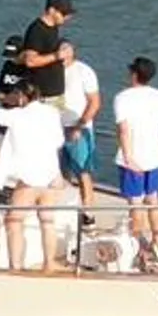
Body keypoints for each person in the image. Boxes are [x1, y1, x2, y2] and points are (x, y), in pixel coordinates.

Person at [0, 82, 72, 272]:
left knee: (14, 221)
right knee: (47, 220)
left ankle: (16, 266)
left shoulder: (16, 115)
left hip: (28, 178)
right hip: (51, 175)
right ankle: (49, 263)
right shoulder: (52, 113)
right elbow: (60, 140)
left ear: (21, 96)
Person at [114, 56, 158, 265]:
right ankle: (156, 240)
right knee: (153, 199)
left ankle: (139, 245)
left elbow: (124, 130)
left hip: (133, 159)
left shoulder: (123, 97)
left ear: (134, 74)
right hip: (153, 157)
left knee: (135, 203)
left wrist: (128, 157)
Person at [58, 40, 102, 209]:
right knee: (61, 173)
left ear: (72, 51)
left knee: (83, 172)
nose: (61, 52)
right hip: (56, 128)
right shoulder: (52, 72)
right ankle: (63, 209)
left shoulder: (84, 71)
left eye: (65, 49)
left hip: (78, 129)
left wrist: (79, 126)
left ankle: (88, 214)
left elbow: (95, 102)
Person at [16, 0, 74, 106]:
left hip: (55, 95)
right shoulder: (37, 30)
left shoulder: (53, 27)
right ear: (51, 10)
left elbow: (49, 46)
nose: (67, 17)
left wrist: (64, 44)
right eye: (64, 13)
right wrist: (57, 56)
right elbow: (30, 61)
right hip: (42, 96)